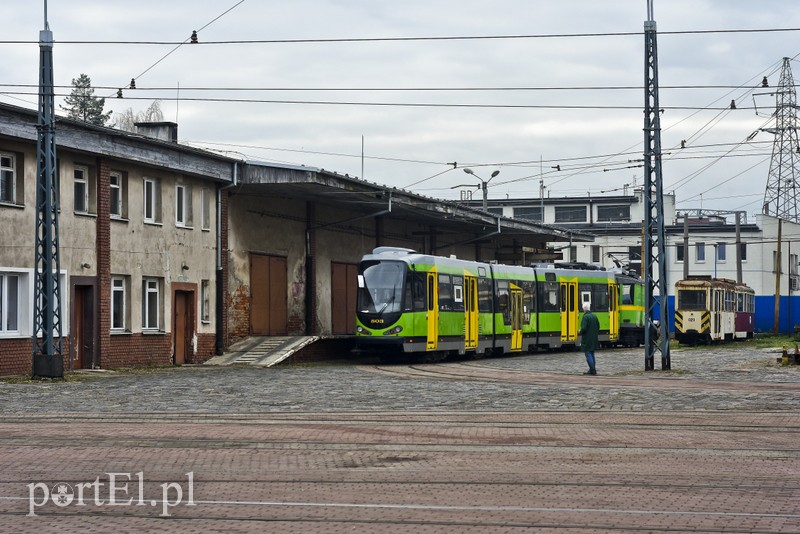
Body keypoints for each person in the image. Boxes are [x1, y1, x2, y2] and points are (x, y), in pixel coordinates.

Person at [579, 302, 599, 375]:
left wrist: (580, 331)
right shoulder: (594, 316)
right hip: (594, 338)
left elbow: (583, 328)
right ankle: (592, 369)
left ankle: (592, 370)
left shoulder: (585, 317)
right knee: (592, 353)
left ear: (584, 309)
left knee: (588, 353)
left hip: (587, 338)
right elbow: (598, 326)